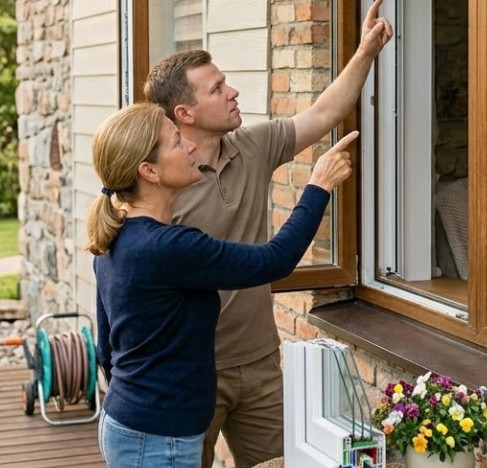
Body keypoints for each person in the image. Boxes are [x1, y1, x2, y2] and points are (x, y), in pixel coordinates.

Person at [143, 0, 393, 468]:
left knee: (281, 462)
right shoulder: (162, 186)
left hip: (258, 360)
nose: (232, 92)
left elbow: (323, 114)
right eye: (217, 89)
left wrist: (365, 52)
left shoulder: (251, 146)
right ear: (185, 113)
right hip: (193, 370)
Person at [84, 102, 358, 468]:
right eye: (176, 141)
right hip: (158, 438)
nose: (191, 146)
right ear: (149, 171)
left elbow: (107, 350)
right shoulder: (168, 247)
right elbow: (274, 261)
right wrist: (318, 185)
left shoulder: (117, 238)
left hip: (131, 423)